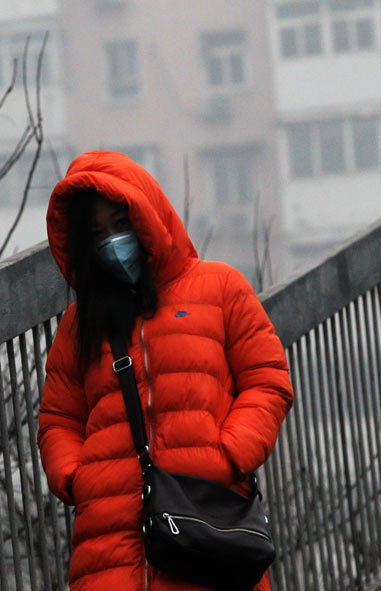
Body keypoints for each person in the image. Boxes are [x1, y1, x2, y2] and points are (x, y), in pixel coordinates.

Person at [37, 150, 294, 591]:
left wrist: (230, 452)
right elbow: (58, 418)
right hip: (109, 544)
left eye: (121, 224)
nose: (112, 242)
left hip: (207, 526)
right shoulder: (79, 325)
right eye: (97, 234)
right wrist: (78, 477)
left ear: (147, 217)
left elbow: (267, 378)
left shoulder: (220, 287)